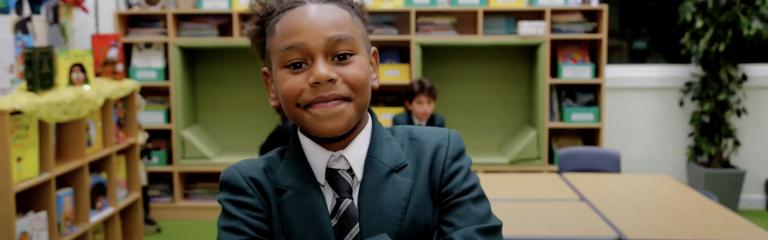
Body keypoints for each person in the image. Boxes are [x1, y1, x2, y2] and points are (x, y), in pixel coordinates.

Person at [217, 0, 502, 239]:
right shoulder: (249, 187)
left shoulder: (439, 157)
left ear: (373, 66)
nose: (321, 75)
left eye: (341, 56)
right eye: (296, 64)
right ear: (271, 86)